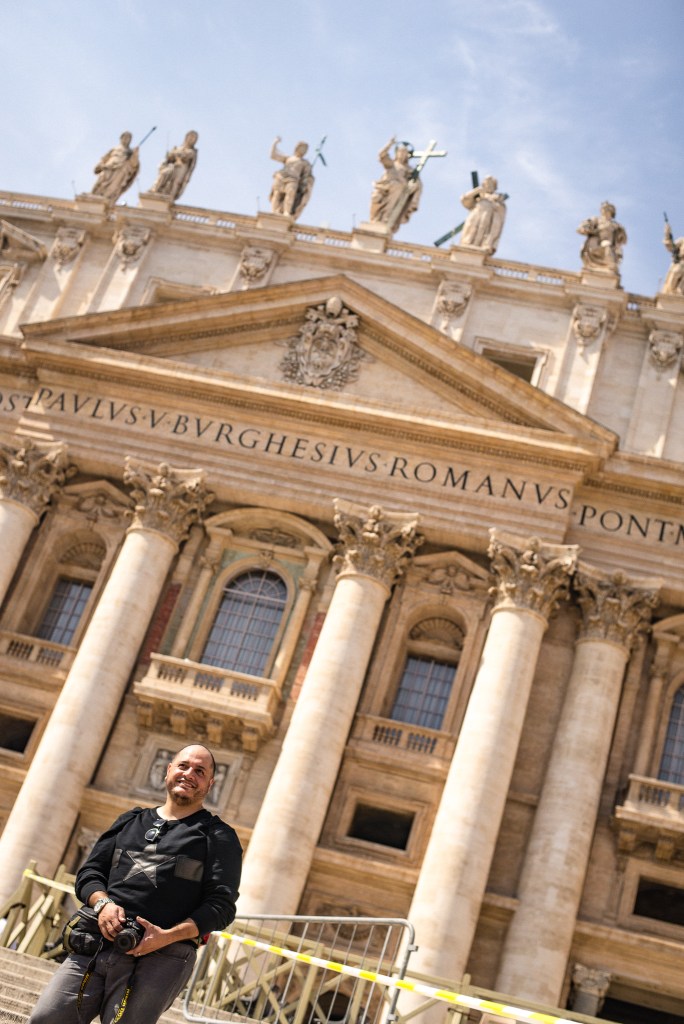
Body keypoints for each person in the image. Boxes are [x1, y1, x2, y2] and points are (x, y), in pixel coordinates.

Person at [28, 743, 242, 1024]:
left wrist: (168, 935)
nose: (189, 774)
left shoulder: (219, 836)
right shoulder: (130, 820)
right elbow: (90, 873)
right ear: (168, 770)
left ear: (210, 783)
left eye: (200, 771)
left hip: (164, 957)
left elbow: (222, 907)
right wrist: (103, 905)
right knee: (47, 1018)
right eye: (183, 766)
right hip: (97, 943)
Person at [369, 137, 421, 231]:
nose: (402, 155)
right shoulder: (392, 164)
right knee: (376, 200)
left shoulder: (409, 170)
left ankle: (386, 220)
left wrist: (414, 186)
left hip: (397, 194)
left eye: (405, 153)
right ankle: (378, 220)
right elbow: (382, 155)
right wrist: (389, 144)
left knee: (397, 191)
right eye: (400, 152)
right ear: (396, 153)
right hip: (385, 189)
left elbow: (417, 183)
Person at [459, 175, 507, 253]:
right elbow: (465, 199)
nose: (488, 186)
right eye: (487, 183)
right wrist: (477, 190)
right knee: (471, 232)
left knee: (483, 232)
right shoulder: (479, 195)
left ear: (494, 187)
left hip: (488, 218)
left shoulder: (498, 199)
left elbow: (500, 215)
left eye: (491, 184)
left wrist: (497, 203)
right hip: (476, 215)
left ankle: (483, 246)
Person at [269, 137, 314, 218]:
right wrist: (275, 143)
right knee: (277, 194)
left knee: (291, 194)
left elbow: (307, 176)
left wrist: (305, 184)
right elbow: (273, 155)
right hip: (281, 176)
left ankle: (287, 211)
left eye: (305, 149)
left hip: (293, 179)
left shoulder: (305, 163)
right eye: (302, 148)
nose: (303, 151)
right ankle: (274, 211)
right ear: (297, 148)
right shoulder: (289, 158)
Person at [150, 131, 199, 202]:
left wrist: (176, 154)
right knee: (164, 173)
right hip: (172, 166)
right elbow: (170, 157)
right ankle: (156, 190)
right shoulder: (177, 148)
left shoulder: (192, 151)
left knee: (176, 183)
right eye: (191, 136)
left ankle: (170, 197)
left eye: (194, 138)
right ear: (186, 137)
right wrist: (171, 155)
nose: (192, 139)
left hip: (182, 168)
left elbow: (185, 157)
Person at [577, 201, 627, 272]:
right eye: (604, 208)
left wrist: (621, 233)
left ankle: (609, 266)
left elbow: (622, 239)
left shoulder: (615, 225)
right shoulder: (596, 219)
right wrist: (591, 230)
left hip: (609, 244)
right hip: (596, 242)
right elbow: (583, 227)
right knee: (606, 247)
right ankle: (607, 267)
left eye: (608, 208)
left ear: (612, 211)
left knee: (607, 247)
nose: (605, 210)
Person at [91, 132, 140, 202]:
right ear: (121, 138)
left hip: (120, 170)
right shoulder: (115, 149)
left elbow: (134, 165)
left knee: (113, 186)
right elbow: (104, 158)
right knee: (101, 180)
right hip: (108, 167)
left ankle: (105, 199)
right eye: (125, 137)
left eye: (128, 138)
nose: (126, 139)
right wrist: (100, 165)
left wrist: (135, 155)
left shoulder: (131, 152)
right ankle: (93, 195)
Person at [663, 221, 684, 295]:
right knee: (677, 271)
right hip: (681, 262)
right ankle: (672, 292)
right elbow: (672, 247)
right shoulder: (682, 240)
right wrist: (667, 234)